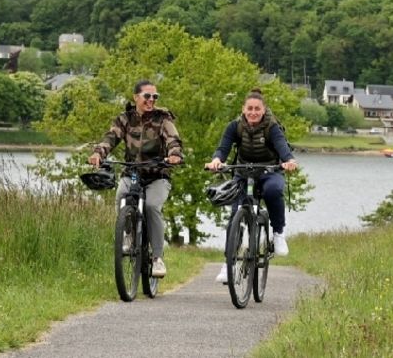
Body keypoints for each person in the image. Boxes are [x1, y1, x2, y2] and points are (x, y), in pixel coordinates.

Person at [89, 80, 183, 278]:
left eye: (154, 97)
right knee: (122, 195)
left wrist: (175, 154)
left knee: (151, 207)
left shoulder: (163, 119)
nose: (151, 100)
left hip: (158, 175)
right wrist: (99, 153)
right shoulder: (125, 119)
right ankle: (129, 235)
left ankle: (157, 258)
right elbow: (110, 138)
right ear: (136, 97)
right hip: (132, 173)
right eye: (147, 96)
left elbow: (173, 139)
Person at [205, 88, 298, 283]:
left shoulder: (272, 127)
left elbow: (282, 147)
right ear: (243, 109)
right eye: (250, 108)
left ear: (263, 110)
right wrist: (216, 161)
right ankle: (228, 264)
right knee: (235, 213)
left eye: (257, 109)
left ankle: (279, 233)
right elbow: (223, 148)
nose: (253, 112)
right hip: (243, 172)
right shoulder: (234, 126)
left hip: (268, 172)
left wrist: (289, 160)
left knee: (274, 191)